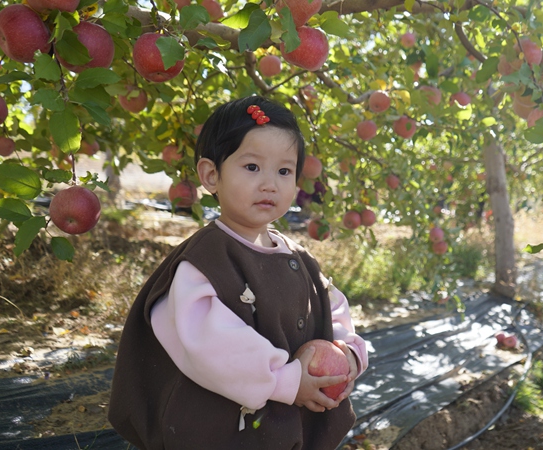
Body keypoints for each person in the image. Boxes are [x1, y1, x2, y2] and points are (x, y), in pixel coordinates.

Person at [108, 96, 368, 449]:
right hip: (222, 432)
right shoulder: (206, 261)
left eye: (284, 171)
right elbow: (210, 344)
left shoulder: (300, 258)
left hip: (281, 428)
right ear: (211, 175)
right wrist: (286, 380)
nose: (269, 184)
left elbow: (332, 307)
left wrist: (348, 353)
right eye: (251, 167)